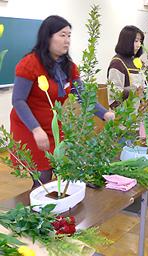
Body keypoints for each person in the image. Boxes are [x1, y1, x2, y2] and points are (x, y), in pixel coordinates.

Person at [10, 15, 115, 189]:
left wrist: (105, 113)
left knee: (58, 167)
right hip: (29, 127)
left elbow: (83, 96)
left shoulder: (69, 67)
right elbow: (18, 101)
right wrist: (36, 129)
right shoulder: (29, 64)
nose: (67, 40)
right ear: (48, 36)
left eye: (69, 35)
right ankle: (40, 212)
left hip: (52, 126)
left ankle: (55, 210)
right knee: (43, 174)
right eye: (62, 35)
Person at [107, 25, 145, 109]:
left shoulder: (135, 61)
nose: (139, 45)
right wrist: (133, 90)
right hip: (122, 115)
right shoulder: (117, 63)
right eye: (136, 41)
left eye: (140, 41)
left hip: (135, 112)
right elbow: (114, 94)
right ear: (126, 41)